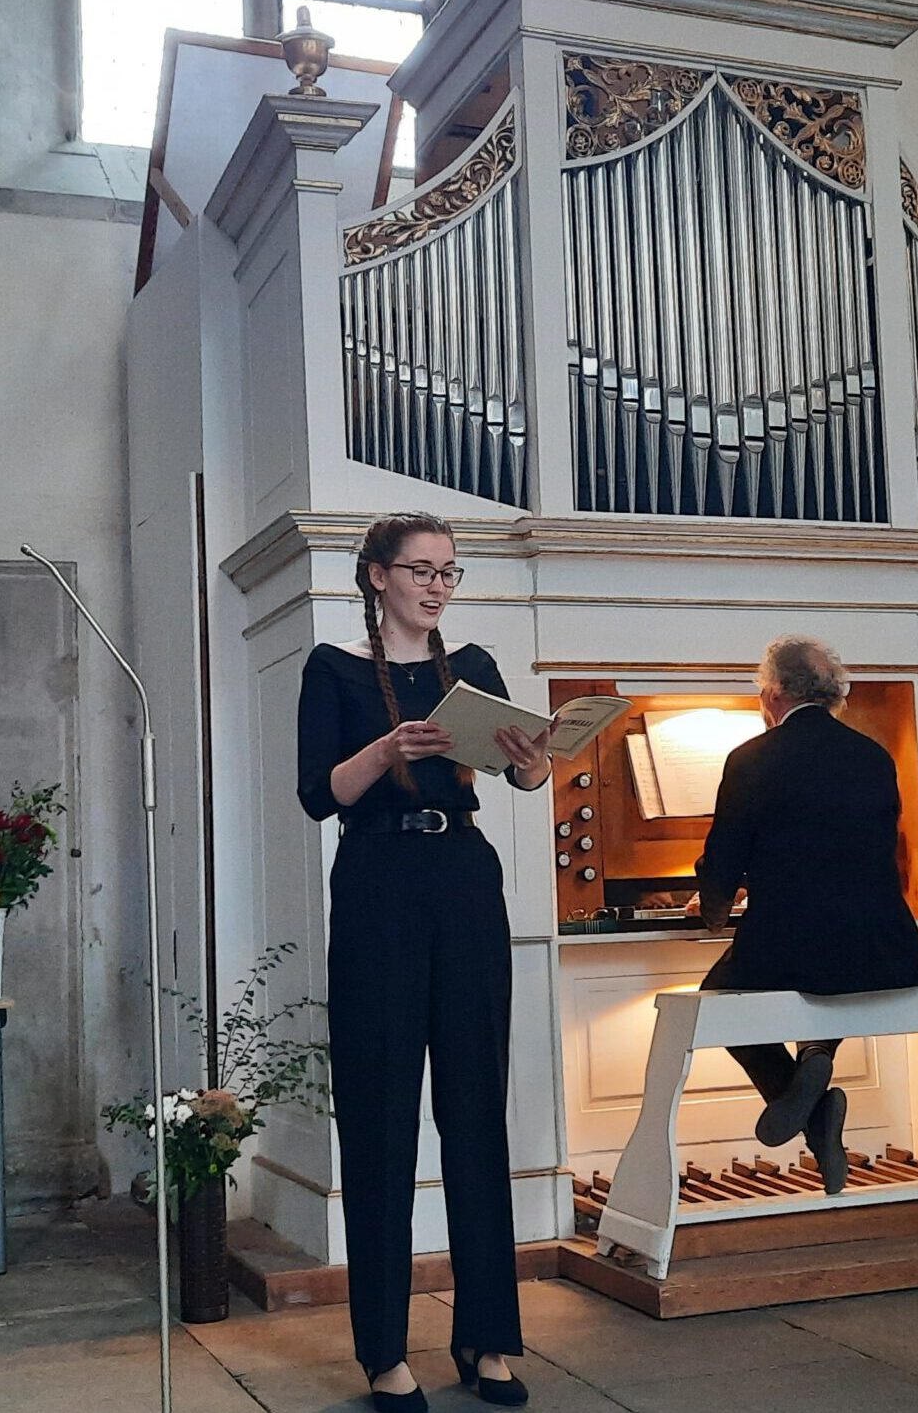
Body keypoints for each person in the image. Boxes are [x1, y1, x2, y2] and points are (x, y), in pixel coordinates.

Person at [296, 511, 550, 1412]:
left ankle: (487, 1337)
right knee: (381, 1116)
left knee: (476, 1108)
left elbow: (522, 776)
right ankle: (383, 1354)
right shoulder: (331, 669)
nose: (438, 586)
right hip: (378, 882)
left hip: (465, 878)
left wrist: (533, 762)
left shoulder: (472, 668)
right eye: (421, 570)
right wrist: (384, 749)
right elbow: (317, 795)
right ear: (378, 576)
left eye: (449, 571)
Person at [694, 635, 918, 1194]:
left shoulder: (751, 758)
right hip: (884, 945)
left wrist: (714, 907)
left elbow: (723, 859)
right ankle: (818, 1057)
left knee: (716, 1001)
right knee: (826, 977)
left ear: (774, 692)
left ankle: (812, 1104)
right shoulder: (875, 756)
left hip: (794, 942)